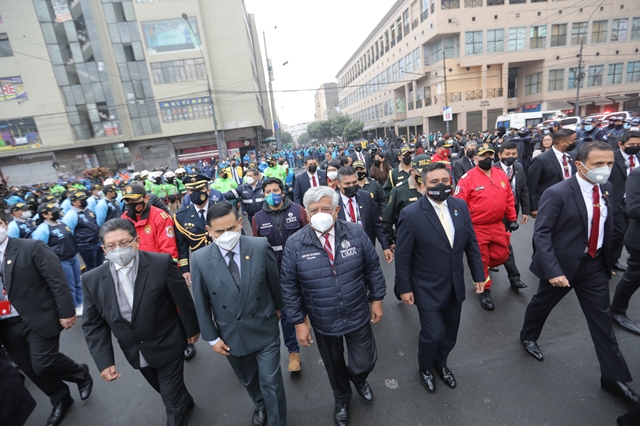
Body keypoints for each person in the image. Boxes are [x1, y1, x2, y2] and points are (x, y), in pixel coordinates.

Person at [520, 141, 638, 405]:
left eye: (609, 163)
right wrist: (553, 270)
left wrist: (608, 261)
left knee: (602, 322)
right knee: (542, 305)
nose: (605, 169)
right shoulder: (558, 193)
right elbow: (542, 233)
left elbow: (606, 227)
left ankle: (613, 377)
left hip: (594, 267)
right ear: (579, 165)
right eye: (598, 164)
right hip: (561, 268)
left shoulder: (606, 188)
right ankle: (528, 336)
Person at [280, 186, 386, 426]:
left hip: (357, 312)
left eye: (326, 209)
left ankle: (358, 378)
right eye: (314, 210)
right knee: (334, 365)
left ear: (337, 210)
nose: (320, 214)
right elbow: (289, 287)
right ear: (306, 214)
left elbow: (373, 268)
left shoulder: (355, 233)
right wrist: (299, 323)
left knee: (365, 361)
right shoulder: (295, 244)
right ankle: (342, 399)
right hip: (323, 319)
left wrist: (377, 300)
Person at [82, 219, 200, 426]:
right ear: (104, 249)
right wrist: (104, 361)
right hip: (136, 352)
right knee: (165, 390)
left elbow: (183, 300)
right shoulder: (92, 279)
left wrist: (192, 330)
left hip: (168, 342)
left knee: (171, 400)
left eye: (124, 243)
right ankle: (186, 401)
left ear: (136, 241)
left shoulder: (160, 264)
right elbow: (94, 324)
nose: (118, 249)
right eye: (111, 246)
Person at [191, 203, 286, 426]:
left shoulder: (259, 246)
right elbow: (201, 303)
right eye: (219, 231)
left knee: (271, 381)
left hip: (264, 327)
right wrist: (212, 338)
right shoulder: (200, 259)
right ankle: (259, 404)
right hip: (231, 334)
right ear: (209, 231)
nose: (226, 235)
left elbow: (274, 282)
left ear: (240, 223)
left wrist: (278, 309)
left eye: (231, 228)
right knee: (248, 378)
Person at [395, 162, 485, 394]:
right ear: (424, 184)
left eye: (445, 180)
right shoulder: (411, 214)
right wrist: (404, 288)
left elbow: (471, 243)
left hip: (454, 285)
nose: (441, 185)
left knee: (450, 334)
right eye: (434, 182)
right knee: (433, 333)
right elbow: (403, 256)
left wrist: (479, 275)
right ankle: (425, 368)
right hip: (426, 287)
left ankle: (441, 363)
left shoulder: (460, 206)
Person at [0, 212, 93, 426]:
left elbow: (56, 279)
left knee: (43, 362)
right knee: (30, 369)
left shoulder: (31, 247)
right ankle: (60, 397)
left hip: (37, 316)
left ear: (4, 224)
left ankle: (80, 373)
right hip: (6, 325)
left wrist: (66, 311)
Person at [252, 177, 309, 372]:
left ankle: (306, 318)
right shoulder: (258, 218)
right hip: (276, 271)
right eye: (268, 192)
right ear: (263, 194)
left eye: (275, 191)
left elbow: (309, 235)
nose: (272, 195)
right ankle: (293, 352)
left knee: (310, 299)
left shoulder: (297, 210)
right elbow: (257, 247)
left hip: (301, 265)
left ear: (283, 193)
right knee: (286, 311)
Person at [454, 143, 517, 310]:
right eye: (483, 156)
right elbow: (459, 205)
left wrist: (512, 218)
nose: (487, 158)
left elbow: (509, 197)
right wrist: (461, 227)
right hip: (477, 228)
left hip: (497, 225)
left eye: (490, 155)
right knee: (480, 260)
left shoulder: (500, 174)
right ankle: (484, 290)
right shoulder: (467, 178)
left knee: (502, 255)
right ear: (475, 158)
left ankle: (484, 267)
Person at [32, 202, 84, 316]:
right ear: (45, 215)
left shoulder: (61, 223)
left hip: (72, 257)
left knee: (77, 283)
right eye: (53, 212)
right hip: (61, 260)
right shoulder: (42, 229)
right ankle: (74, 306)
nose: (57, 213)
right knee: (69, 286)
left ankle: (80, 302)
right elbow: (39, 248)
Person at [611, 136, 640, 335]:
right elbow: (634, 210)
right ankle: (617, 310)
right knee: (633, 277)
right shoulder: (637, 175)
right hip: (638, 239)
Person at [335, 166, 392, 263]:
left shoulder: (365, 196)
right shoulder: (332, 201)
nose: (352, 186)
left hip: (366, 248)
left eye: (354, 182)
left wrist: (386, 247)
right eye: (347, 184)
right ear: (338, 184)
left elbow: (377, 224)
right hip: (344, 252)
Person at [494, 141, 530, 289]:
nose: (511, 156)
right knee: (505, 243)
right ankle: (514, 277)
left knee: (502, 242)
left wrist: (526, 211)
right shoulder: (492, 169)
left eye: (514, 154)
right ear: (500, 155)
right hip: (496, 214)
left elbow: (523, 190)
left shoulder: (519, 168)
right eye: (507, 154)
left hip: (512, 211)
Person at [526, 128, 578, 218]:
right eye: (572, 140)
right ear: (562, 142)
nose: (575, 142)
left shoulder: (572, 156)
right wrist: (534, 207)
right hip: (550, 204)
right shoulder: (541, 159)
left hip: (571, 202)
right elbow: (532, 185)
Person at [120, 184, 178, 261]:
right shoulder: (124, 218)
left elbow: (168, 248)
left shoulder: (160, 217)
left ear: (146, 198)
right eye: (128, 200)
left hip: (156, 264)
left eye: (135, 199)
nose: (131, 203)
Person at [609, 132, 640, 272]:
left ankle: (615, 259)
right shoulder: (612, 158)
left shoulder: (638, 157)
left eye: (638, 144)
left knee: (628, 232)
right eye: (632, 144)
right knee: (617, 233)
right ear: (621, 144)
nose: (635, 147)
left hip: (634, 202)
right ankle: (609, 259)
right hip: (617, 201)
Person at [62, 191, 103, 272]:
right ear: (74, 202)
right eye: (81, 200)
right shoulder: (71, 215)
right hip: (86, 245)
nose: (84, 201)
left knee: (100, 266)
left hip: (96, 242)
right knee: (92, 269)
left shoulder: (88, 211)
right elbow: (68, 233)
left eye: (84, 199)